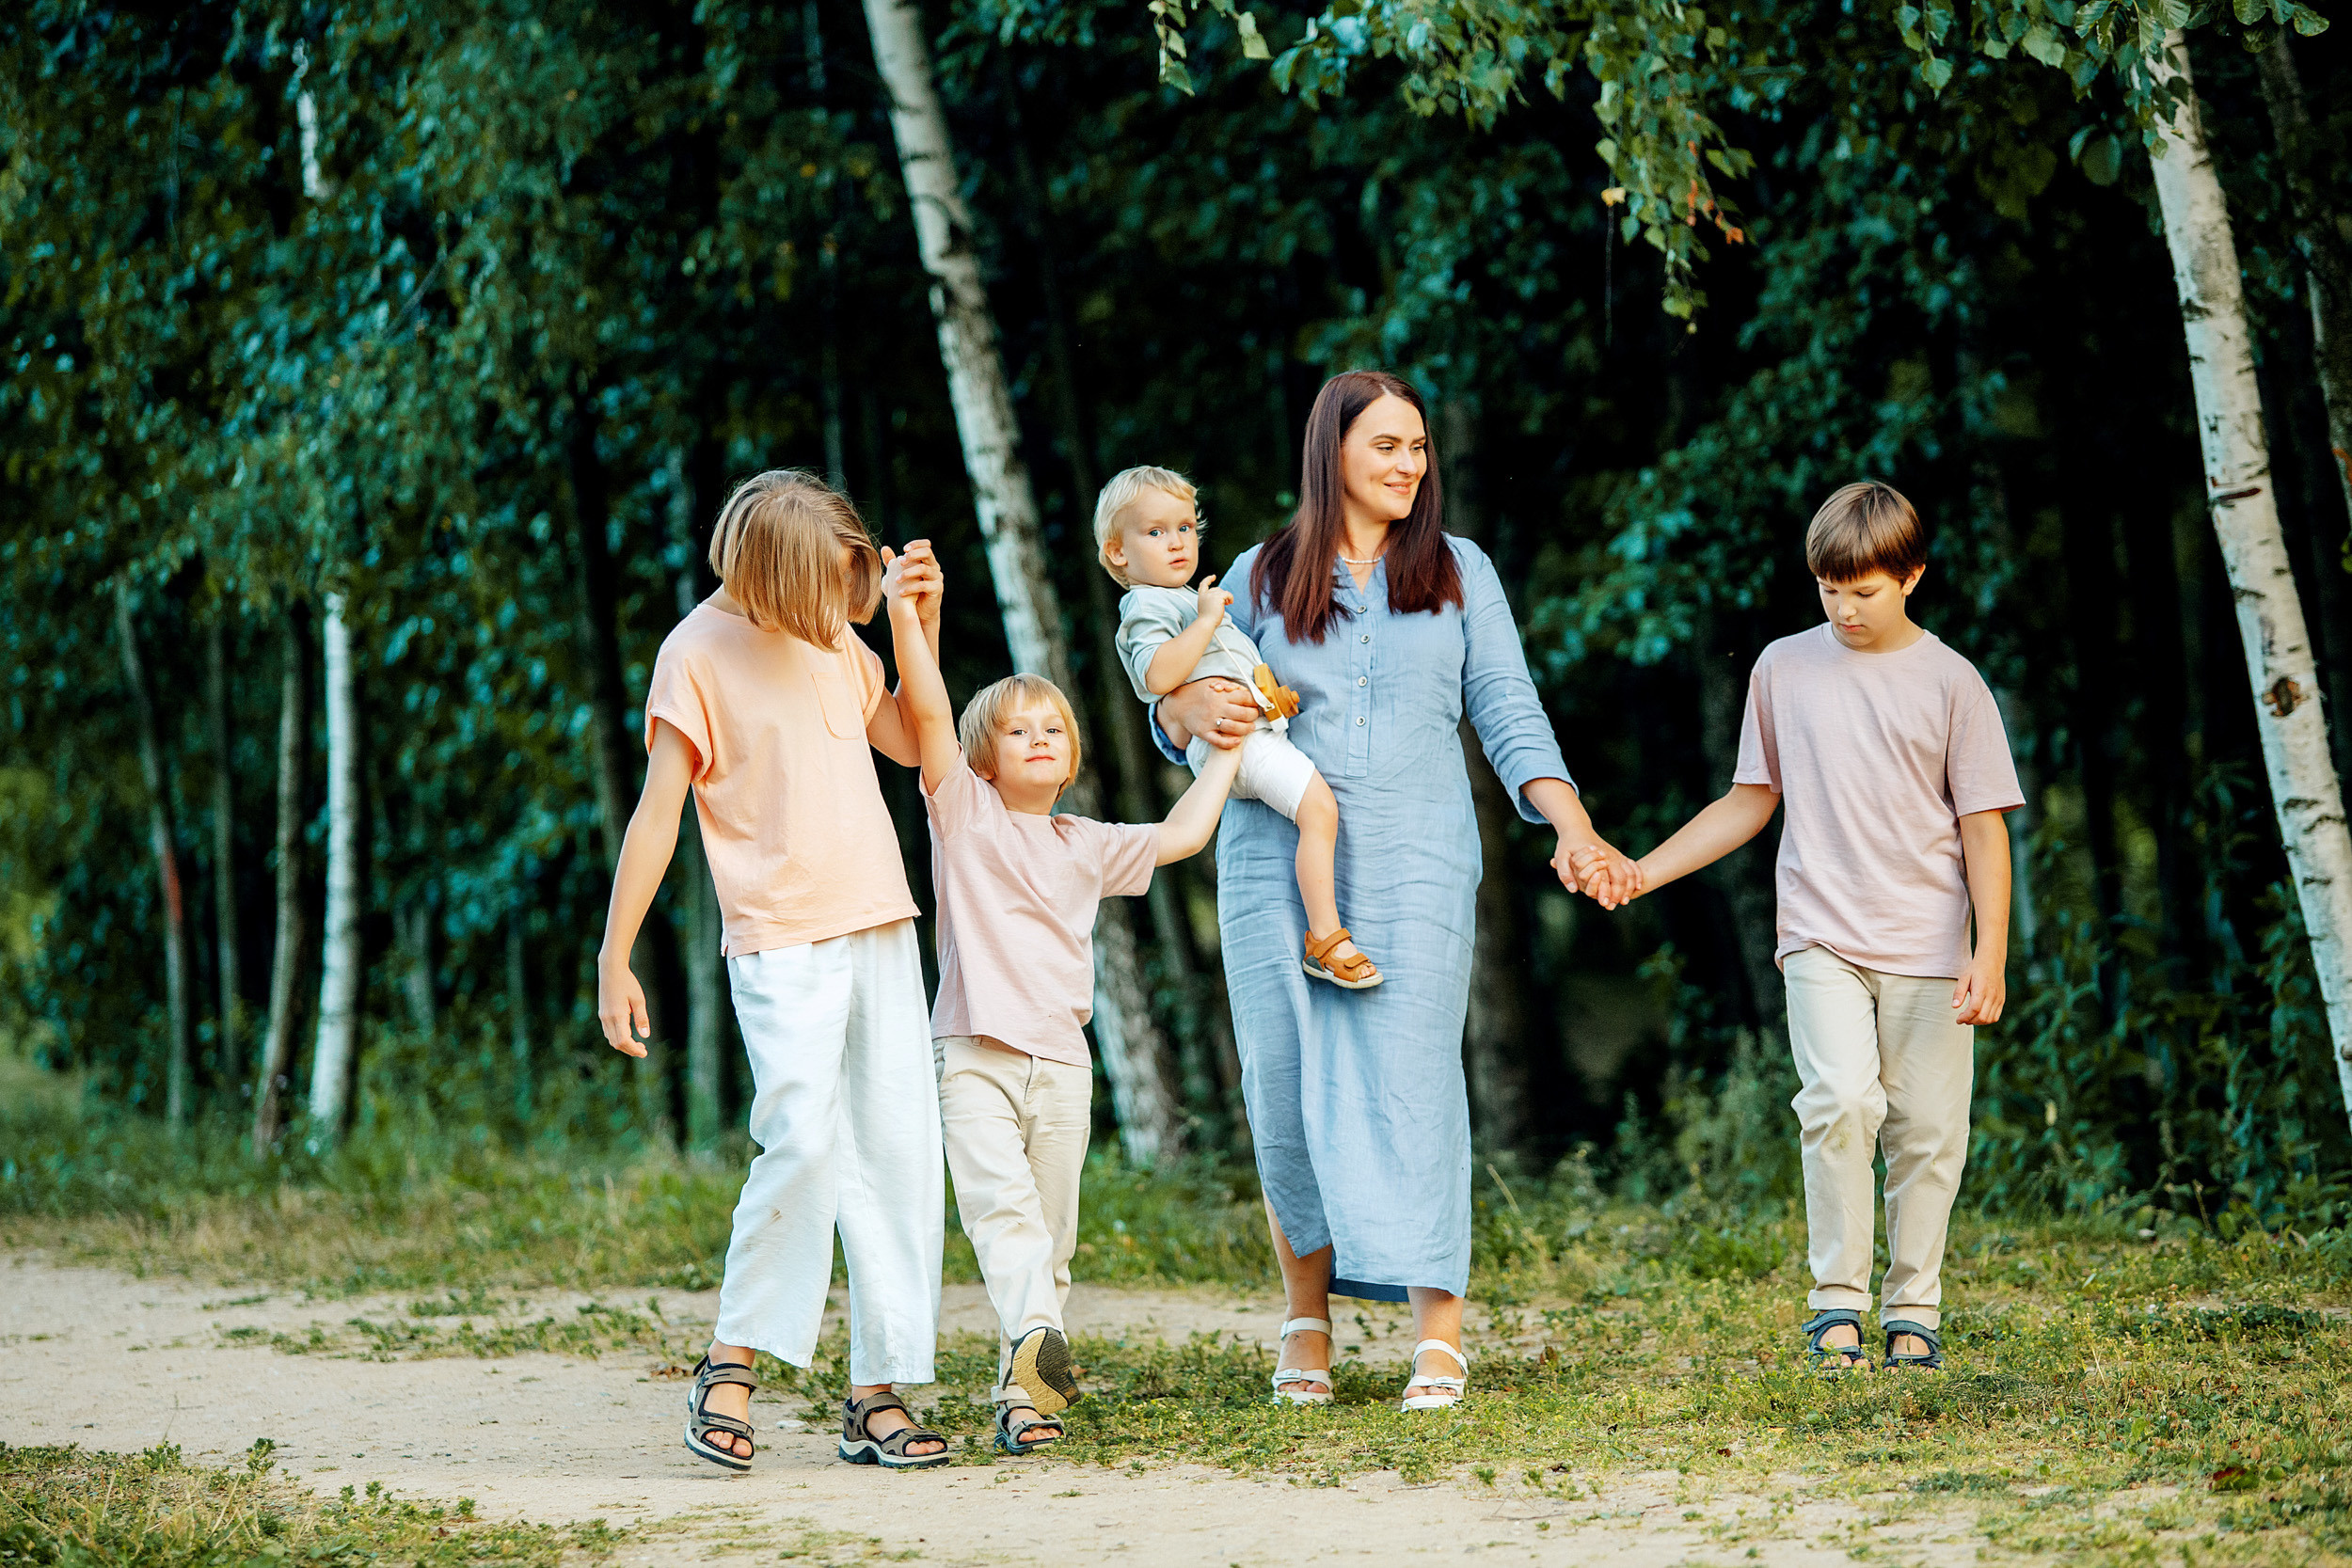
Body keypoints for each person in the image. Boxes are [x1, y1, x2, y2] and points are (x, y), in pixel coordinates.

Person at [1150, 370, 1639, 1413]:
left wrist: (1575, 824)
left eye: (1418, 447)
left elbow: (1507, 710)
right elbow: (1177, 702)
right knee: (1282, 1078)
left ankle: (1438, 1331)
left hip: (1418, 851)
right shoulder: (1259, 569)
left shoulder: (1460, 569)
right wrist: (1190, 705)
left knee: (1413, 1076)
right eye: (1386, 446)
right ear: (1332, 452)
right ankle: (1305, 1318)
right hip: (1269, 855)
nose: (1409, 465)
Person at [1605, 481, 2021, 1372]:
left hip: (1929, 940)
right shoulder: (1783, 667)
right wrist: (1646, 870)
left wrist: (1991, 952)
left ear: (1911, 575)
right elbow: (1751, 800)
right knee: (1838, 1101)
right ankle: (1836, 1307)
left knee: (1928, 1131)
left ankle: (1913, 1309)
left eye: (1863, 591)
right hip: (1821, 931)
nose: (1843, 608)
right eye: (1828, 589)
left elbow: (1985, 829)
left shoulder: (1954, 682)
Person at [594, 470, 953, 1472]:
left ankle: (873, 1391)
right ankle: (730, 1361)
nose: (847, 605)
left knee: (893, 1149)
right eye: (833, 584)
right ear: (775, 570)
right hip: (779, 934)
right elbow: (658, 813)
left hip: (878, 919)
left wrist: (912, 627)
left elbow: (927, 749)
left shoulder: (837, 640)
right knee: (798, 1141)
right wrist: (614, 953)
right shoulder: (695, 653)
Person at [882, 551, 1243, 1455]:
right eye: (1017, 731)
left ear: (1073, 751)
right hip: (973, 1051)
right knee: (1000, 1210)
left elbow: (1185, 833)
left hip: (1064, 1063)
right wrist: (907, 616)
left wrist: (1233, 748)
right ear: (981, 758)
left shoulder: (1084, 842)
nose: (1039, 737)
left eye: (1053, 727)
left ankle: (1024, 1390)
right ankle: (1038, 1356)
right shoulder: (962, 814)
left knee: (1051, 1233)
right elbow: (924, 708)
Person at [1099, 465, 1379, 988]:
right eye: (1155, 532)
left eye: (1185, 528)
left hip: (1249, 735)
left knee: (1319, 811)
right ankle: (1325, 936)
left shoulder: (1183, 596)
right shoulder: (1146, 603)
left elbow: (1222, 666)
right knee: (1320, 810)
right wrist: (1206, 620)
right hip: (1233, 745)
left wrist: (1271, 700)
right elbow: (1154, 675)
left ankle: (1325, 933)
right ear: (1119, 552)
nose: (1177, 542)